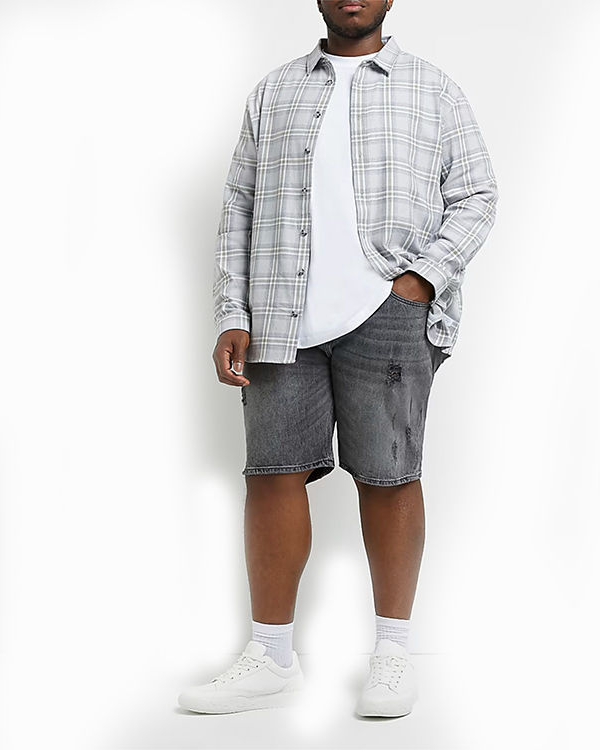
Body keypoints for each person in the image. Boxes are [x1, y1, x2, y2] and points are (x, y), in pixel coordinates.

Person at [178, 0, 498, 718]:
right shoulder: (275, 91)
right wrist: (233, 312)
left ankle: (392, 653)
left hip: (388, 312)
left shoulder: (433, 88)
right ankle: (270, 657)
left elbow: (477, 193)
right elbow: (238, 206)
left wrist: (421, 281)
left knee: (390, 476)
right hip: (280, 313)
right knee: (271, 476)